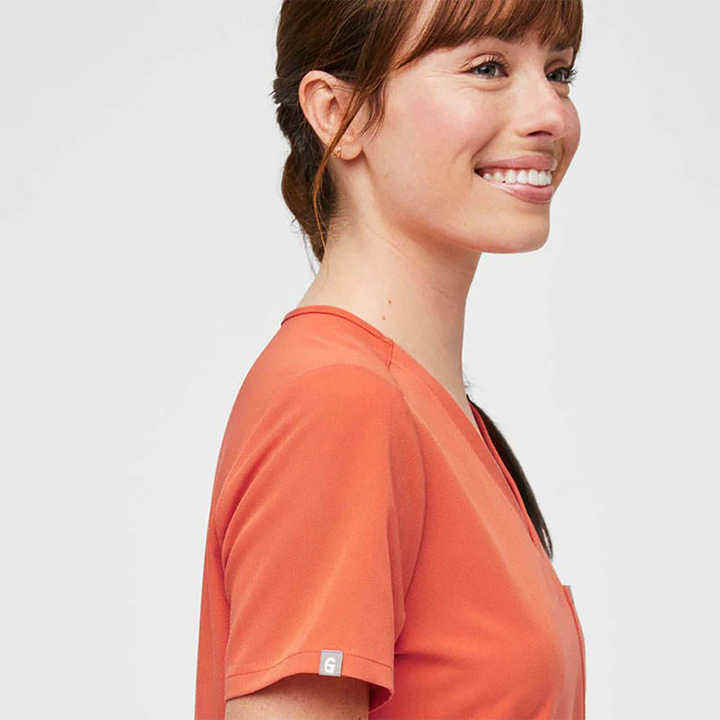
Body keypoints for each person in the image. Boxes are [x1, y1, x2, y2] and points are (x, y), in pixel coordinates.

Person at [195, 0, 586, 718]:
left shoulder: (426, 410)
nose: (551, 116)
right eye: (488, 67)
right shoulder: (341, 403)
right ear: (339, 113)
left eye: (559, 72)